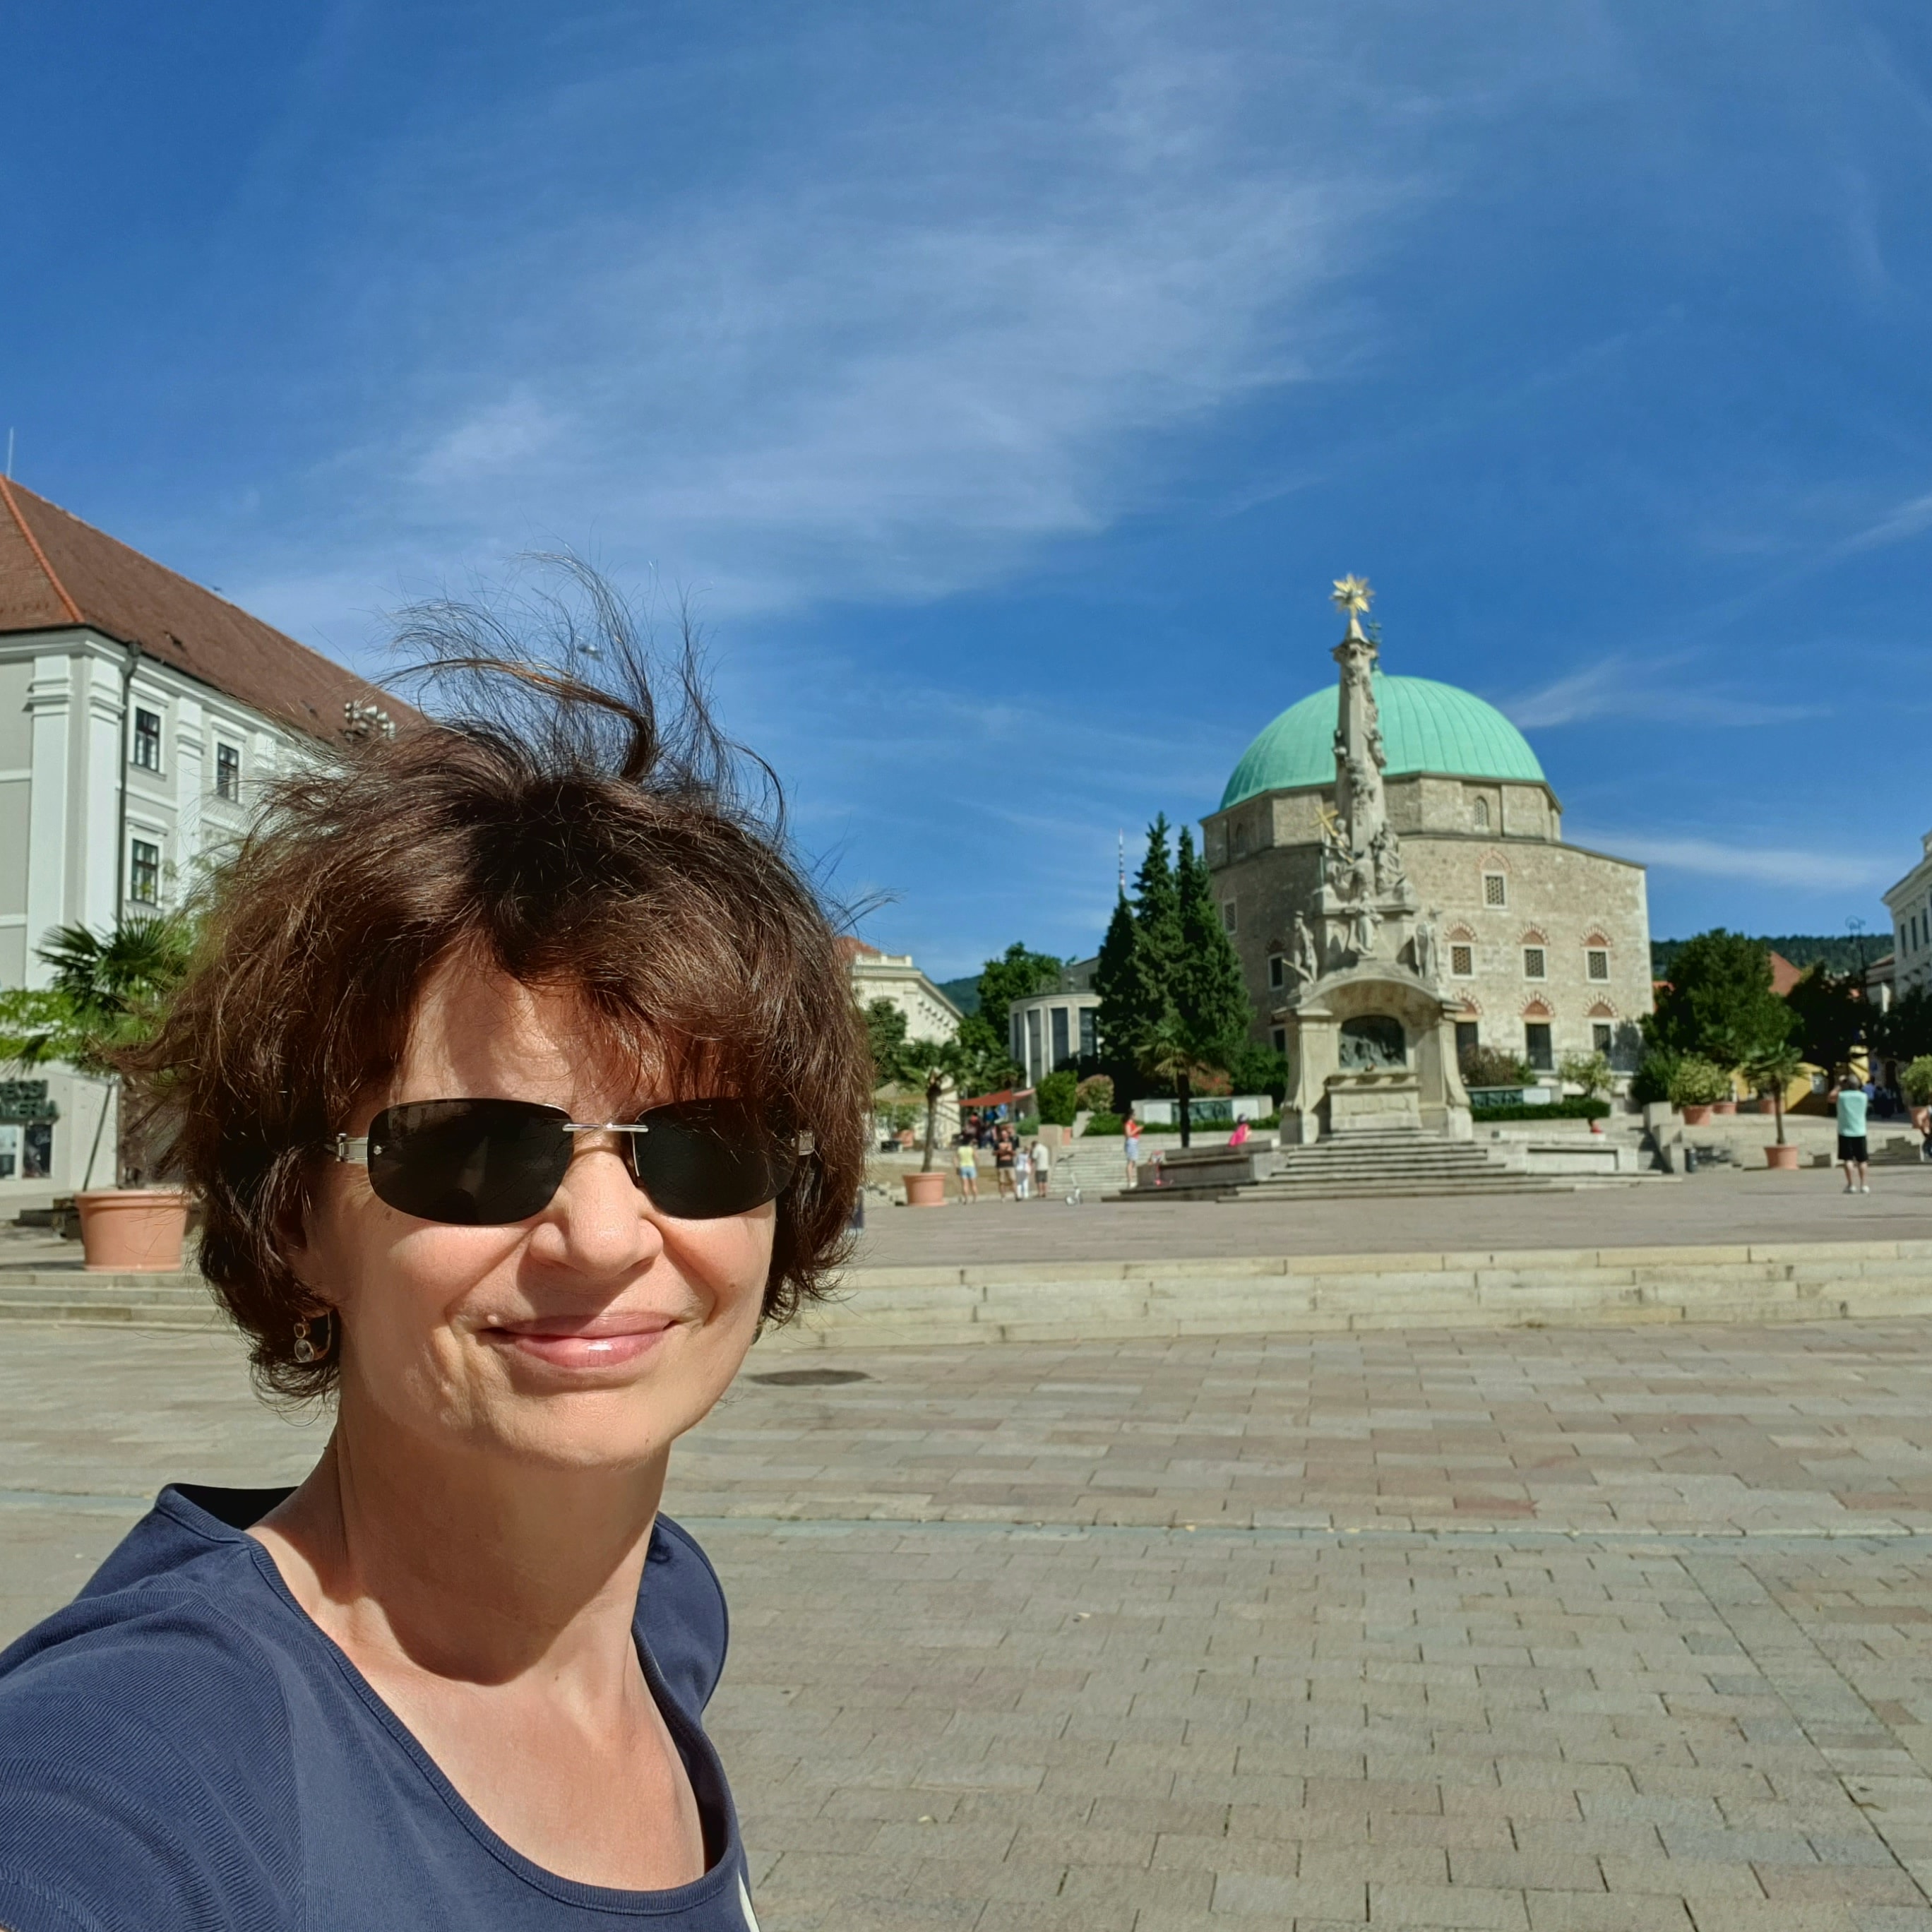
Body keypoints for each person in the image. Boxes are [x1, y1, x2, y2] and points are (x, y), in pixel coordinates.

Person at [0, 575, 871, 1931]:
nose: (602, 1235)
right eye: (474, 1148)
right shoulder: (142, 1765)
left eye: (701, 1145)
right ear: (298, 1217)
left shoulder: (664, 1613)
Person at [1835, 1070, 1871, 1194]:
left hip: (1845, 1131)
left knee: (1848, 1159)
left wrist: (1839, 1085)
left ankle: (1851, 1185)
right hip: (1860, 1131)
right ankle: (1864, 1185)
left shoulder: (1841, 1096)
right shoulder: (1863, 1097)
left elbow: (1830, 1097)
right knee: (1862, 1160)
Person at [953, 1132, 979, 1202]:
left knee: (965, 1184)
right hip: (971, 1166)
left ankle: (966, 1198)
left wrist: (956, 1167)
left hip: (963, 1167)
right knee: (973, 1184)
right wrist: (976, 1166)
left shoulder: (960, 1149)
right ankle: (975, 1198)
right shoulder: (971, 1149)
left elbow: (955, 1158)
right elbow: (977, 1158)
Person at [994, 1126, 1018, 1200]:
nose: (1004, 1136)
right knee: (1002, 1182)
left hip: (1010, 1164)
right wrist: (999, 1151)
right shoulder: (997, 1142)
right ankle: (1003, 1196)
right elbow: (994, 1153)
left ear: (1007, 1135)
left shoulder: (1012, 1142)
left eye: (1005, 1134)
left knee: (1013, 1180)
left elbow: (1014, 1153)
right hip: (1000, 1165)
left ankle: (1016, 1195)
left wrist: (1010, 1151)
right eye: (1002, 1135)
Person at [1030, 1134, 1052, 1200]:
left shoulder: (1037, 1149)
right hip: (1046, 1167)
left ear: (1033, 1145)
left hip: (1039, 1167)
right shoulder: (1045, 1148)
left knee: (1039, 1181)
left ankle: (1040, 1193)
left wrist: (1031, 1154)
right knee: (1045, 1180)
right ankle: (1045, 1192)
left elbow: (1034, 1158)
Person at [1123, 1114, 1143, 1185]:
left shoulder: (1133, 1124)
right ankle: (1130, 1182)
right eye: (1134, 1115)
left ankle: (1131, 1181)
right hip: (1131, 1143)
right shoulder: (1128, 1124)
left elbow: (1134, 1133)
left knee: (1133, 1162)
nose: (1136, 1116)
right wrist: (1137, 1129)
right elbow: (1128, 1135)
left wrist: (1139, 1130)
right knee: (1130, 1162)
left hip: (1134, 1142)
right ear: (1131, 1116)